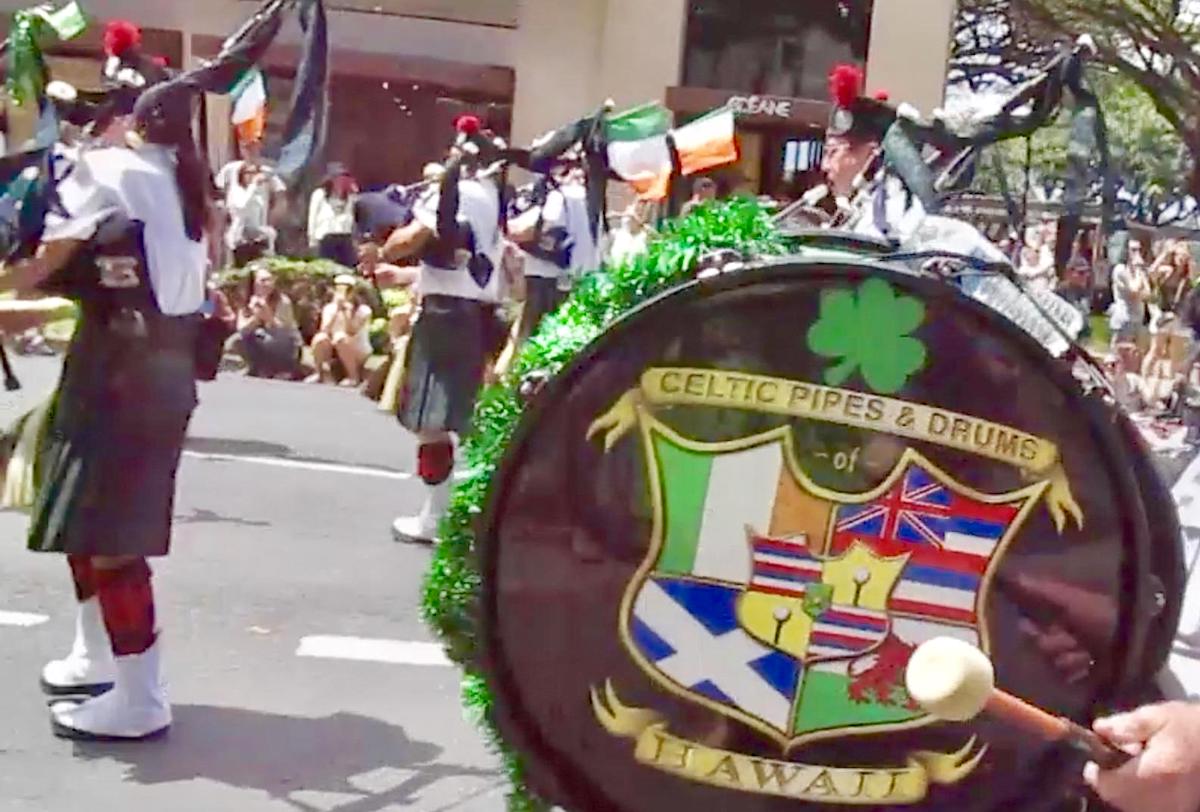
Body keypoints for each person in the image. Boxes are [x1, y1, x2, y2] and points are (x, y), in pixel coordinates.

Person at [0, 21, 210, 741]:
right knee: (85, 525)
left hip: (122, 379)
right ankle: (97, 654)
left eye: (103, 109)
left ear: (127, 114)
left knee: (112, 540)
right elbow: (104, 282)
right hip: (141, 370)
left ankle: (141, 696)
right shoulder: (178, 180)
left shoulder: (114, 172)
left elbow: (36, 260)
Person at [377, 115, 505, 544]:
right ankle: (470, 513)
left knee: (431, 420)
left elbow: (415, 236)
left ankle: (436, 517)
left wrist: (386, 248)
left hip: (445, 316)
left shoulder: (457, 192)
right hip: (478, 312)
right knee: (467, 416)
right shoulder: (493, 195)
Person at [215, 140, 285, 267]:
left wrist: (271, 223)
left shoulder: (265, 176)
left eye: (254, 173)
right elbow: (240, 205)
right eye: (248, 173)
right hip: (239, 238)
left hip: (259, 236)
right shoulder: (236, 189)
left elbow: (280, 197)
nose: (252, 175)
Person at [232, 266, 301, 378]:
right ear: (254, 284)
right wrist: (256, 317)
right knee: (237, 340)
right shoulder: (247, 302)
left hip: (283, 341)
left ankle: (280, 370)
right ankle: (254, 367)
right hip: (259, 338)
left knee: (269, 340)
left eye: (270, 280)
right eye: (263, 280)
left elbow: (283, 330)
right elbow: (242, 329)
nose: (267, 284)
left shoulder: (283, 301)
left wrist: (267, 314)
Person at [307, 273, 373, 386]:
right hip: (335, 347)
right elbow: (325, 330)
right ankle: (319, 373)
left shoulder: (363, 310)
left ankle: (353, 377)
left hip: (356, 347)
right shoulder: (329, 308)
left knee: (340, 337)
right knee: (320, 338)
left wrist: (346, 312)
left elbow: (351, 331)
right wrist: (337, 310)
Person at [308, 163, 358, 267]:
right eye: (338, 177)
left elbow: (352, 218)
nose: (340, 180)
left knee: (348, 266)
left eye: (344, 177)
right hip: (326, 236)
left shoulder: (350, 197)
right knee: (327, 266)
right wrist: (312, 239)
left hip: (344, 236)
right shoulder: (320, 194)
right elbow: (312, 217)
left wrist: (353, 191)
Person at [1110, 238, 1152, 361]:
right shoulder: (1120, 269)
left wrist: (1140, 272)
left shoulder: (1138, 272)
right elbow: (1134, 289)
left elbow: (1148, 293)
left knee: (1134, 355)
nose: (1137, 253)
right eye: (1133, 250)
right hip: (1124, 317)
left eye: (1139, 250)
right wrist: (1139, 270)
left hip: (1137, 317)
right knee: (1118, 354)